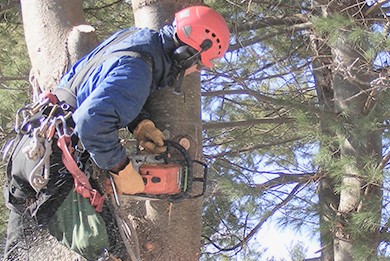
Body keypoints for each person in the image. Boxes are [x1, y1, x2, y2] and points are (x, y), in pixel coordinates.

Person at [3, 5, 230, 261]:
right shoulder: (139, 70)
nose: (195, 71)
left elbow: (106, 87)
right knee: (112, 254)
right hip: (56, 167)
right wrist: (120, 167)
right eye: (198, 65)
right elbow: (91, 122)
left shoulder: (135, 41)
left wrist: (139, 123)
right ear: (187, 54)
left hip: (32, 151)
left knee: (16, 252)